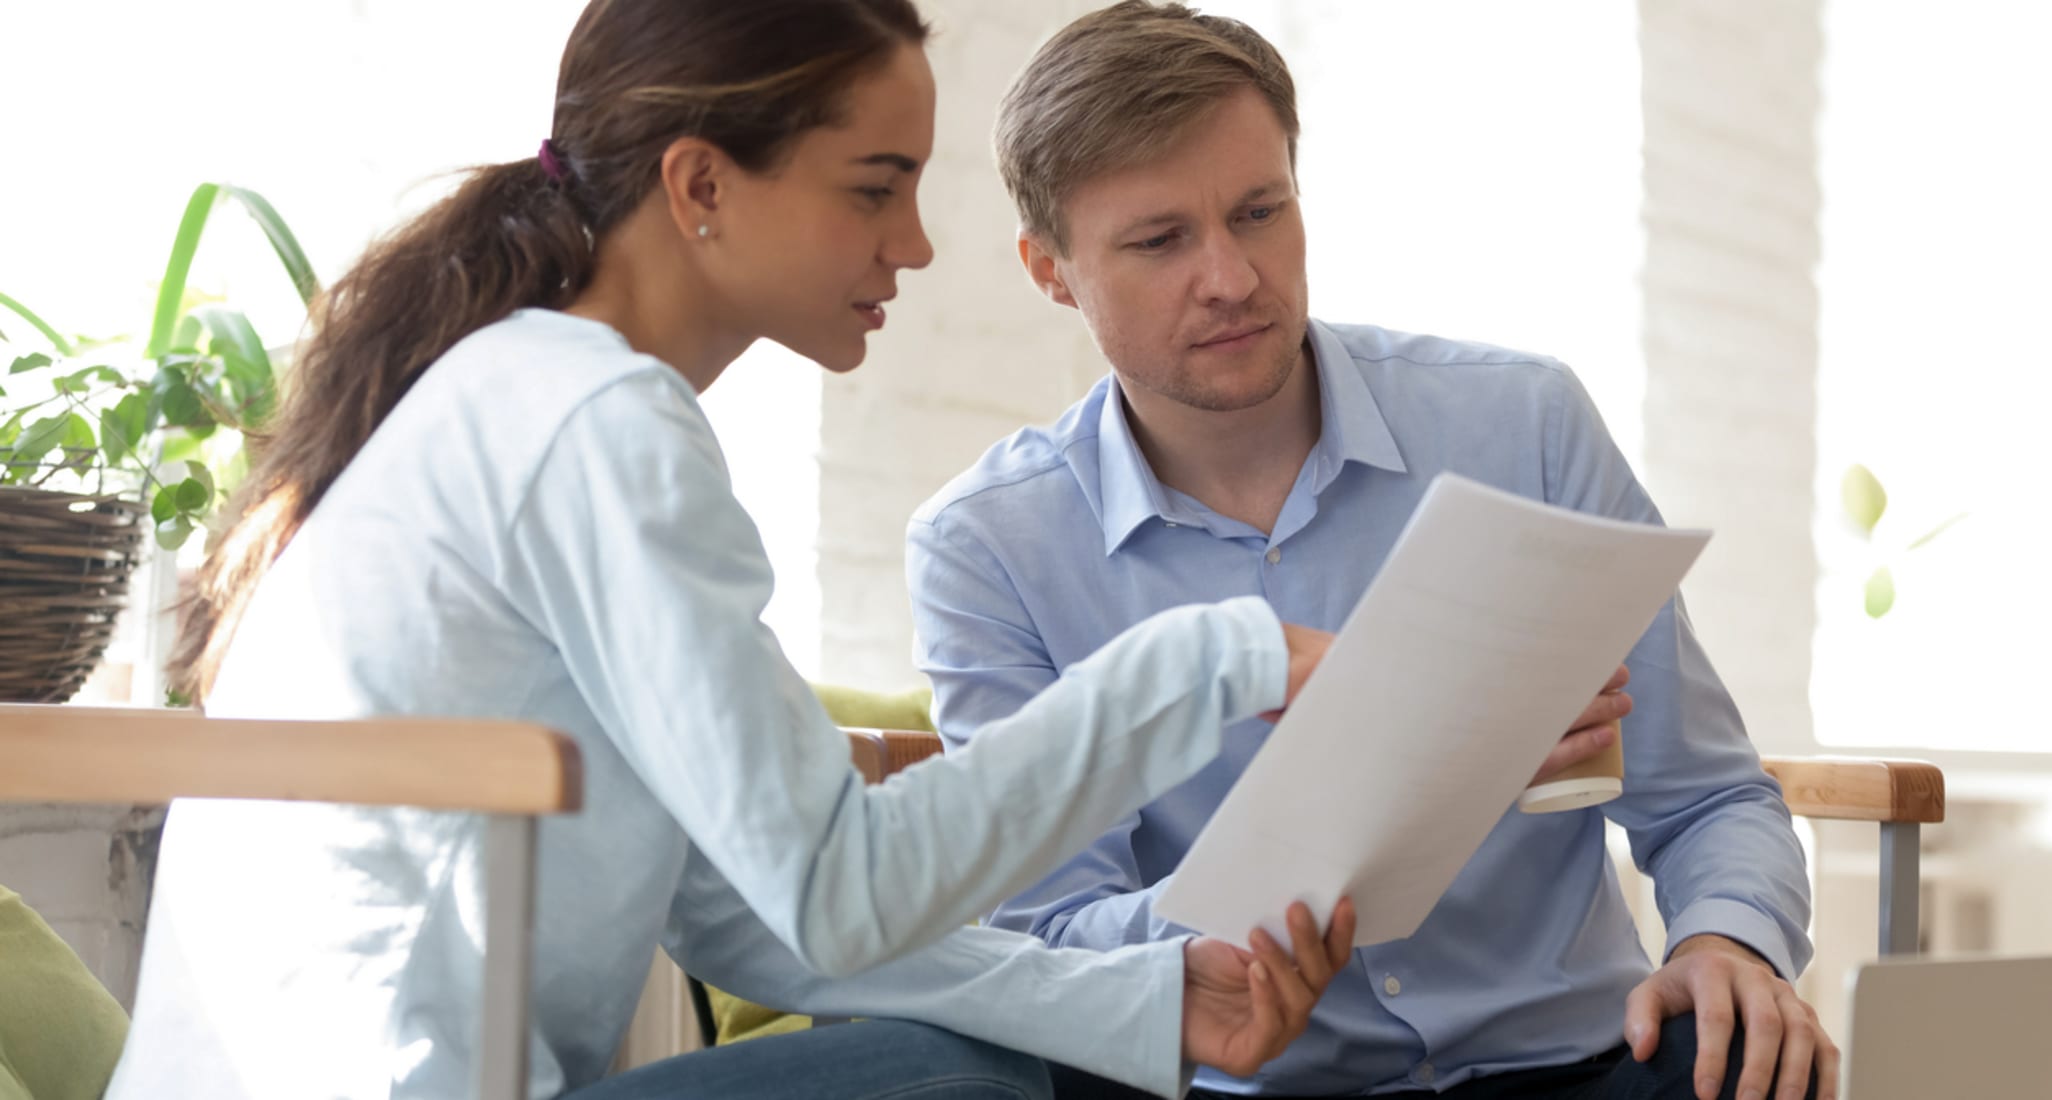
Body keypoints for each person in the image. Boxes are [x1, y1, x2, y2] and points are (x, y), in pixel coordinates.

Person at [106, 2, 1363, 1097]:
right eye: (874, 187)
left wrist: (1140, 1004)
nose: (914, 242)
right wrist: (1217, 660)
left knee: (995, 1063)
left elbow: (745, 900)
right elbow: (840, 887)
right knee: (960, 1083)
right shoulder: (592, 419)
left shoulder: (535, 392)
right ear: (702, 185)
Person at [906, 4, 1836, 1100]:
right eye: (1160, 241)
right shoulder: (989, 548)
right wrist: (1392, 787)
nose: (1233, 277)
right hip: (1247, 1083)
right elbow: (1052, 934)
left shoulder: (1521, 425)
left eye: (1261, 211)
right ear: (1051, 270)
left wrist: (1726, 945)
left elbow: (1709, 798)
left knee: (1744, 1057)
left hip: (1572, 1063)